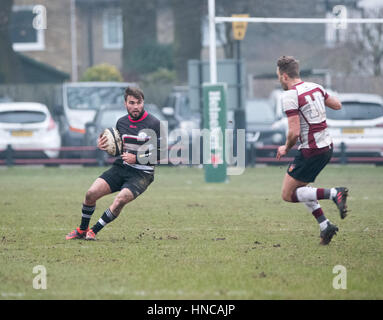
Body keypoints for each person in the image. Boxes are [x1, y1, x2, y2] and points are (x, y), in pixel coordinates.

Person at [66, 87, 165, 240]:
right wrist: (105, 146)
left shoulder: (154, 123)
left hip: (142, 173)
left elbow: (162, 153)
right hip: (121, 167)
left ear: (143, 102)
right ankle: (81, 230)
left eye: (139, 103)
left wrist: (137, 158)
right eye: (132, 103)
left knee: (120, 199)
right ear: (125, 103)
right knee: (90, 194)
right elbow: (119, 149)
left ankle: (94, 230)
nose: (136, 106)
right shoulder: (121, 122)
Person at [275, 56, 349, 245]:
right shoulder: (316, 87)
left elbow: (294, 132)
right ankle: (325, 226)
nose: (279, 80)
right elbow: (337, 105)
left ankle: (334, 193)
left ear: (284, 76)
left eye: (278, 76)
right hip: (326, 147)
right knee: (301, 189)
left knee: (288, 194)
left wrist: (285, 147)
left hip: (311, 150)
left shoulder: (290, 95)